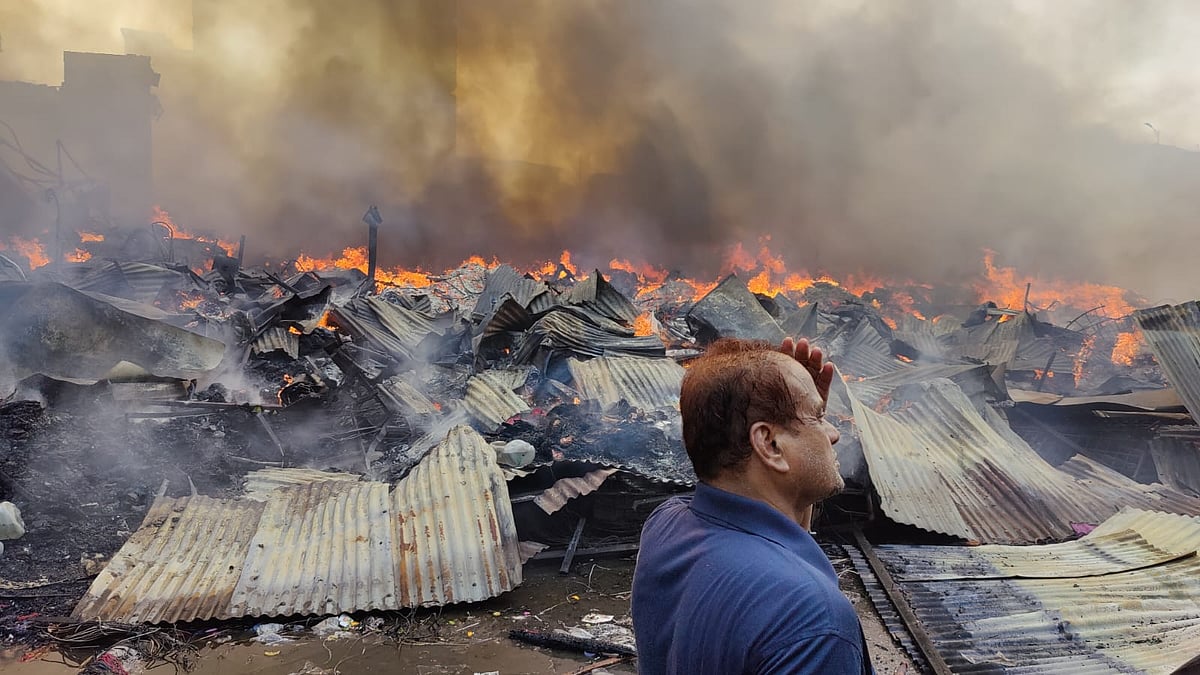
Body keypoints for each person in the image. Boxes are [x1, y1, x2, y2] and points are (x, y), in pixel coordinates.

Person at [631, 337, 873, 674]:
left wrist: (802, 437)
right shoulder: (813, 619)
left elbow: (779, 526)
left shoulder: (666, 524)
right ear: (770, 444)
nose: (833, 433)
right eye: (819, 417)